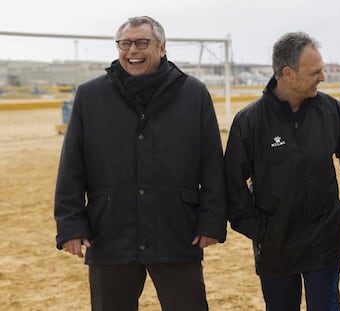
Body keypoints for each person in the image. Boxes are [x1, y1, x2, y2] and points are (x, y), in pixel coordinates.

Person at [54, 16, 227, 311]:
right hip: (109, 232)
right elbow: (72, 165)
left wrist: (211, 221)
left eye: (142, 43)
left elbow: (211, 163)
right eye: (125, 43)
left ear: (161, 48)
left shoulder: (194, 94)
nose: (132, 50)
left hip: (177, 230)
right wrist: (69, 224)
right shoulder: (90, 95)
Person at [224, 32, 340, 310]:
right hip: (276, 247)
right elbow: (232, 183)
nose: (322, 77)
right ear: (288, 74)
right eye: (315, 72)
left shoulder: (332, 111)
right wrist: (260, 230)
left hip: (325, 242)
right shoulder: (250, 121)